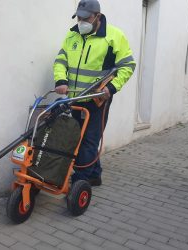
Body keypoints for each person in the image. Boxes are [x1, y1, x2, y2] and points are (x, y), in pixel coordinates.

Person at [54, 0, 136, 186]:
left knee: (89, 140)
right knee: (77, 137)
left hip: (98, 99)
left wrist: (112, 88)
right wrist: (61, 80)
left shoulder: (114, 36)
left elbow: (128, 66)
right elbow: (61, 60)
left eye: (86, 18)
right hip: (75, 97)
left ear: (97, 16)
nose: (81, 21)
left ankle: (79, 182)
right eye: (79, 17)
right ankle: (94, 174)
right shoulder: (72, 35)